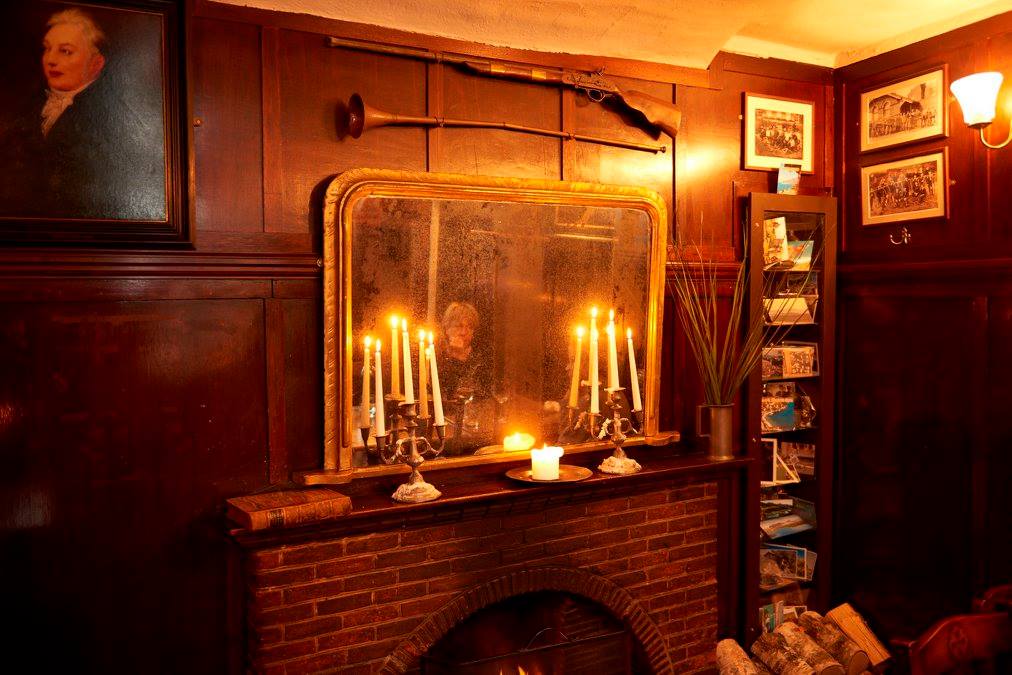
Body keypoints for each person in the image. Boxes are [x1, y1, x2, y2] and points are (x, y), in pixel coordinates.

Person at [0, 8, 165, 220]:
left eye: (65, 51)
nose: (51, 59)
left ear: (96, 64)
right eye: (47, 49)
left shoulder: (110, 117)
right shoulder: (28, 107)